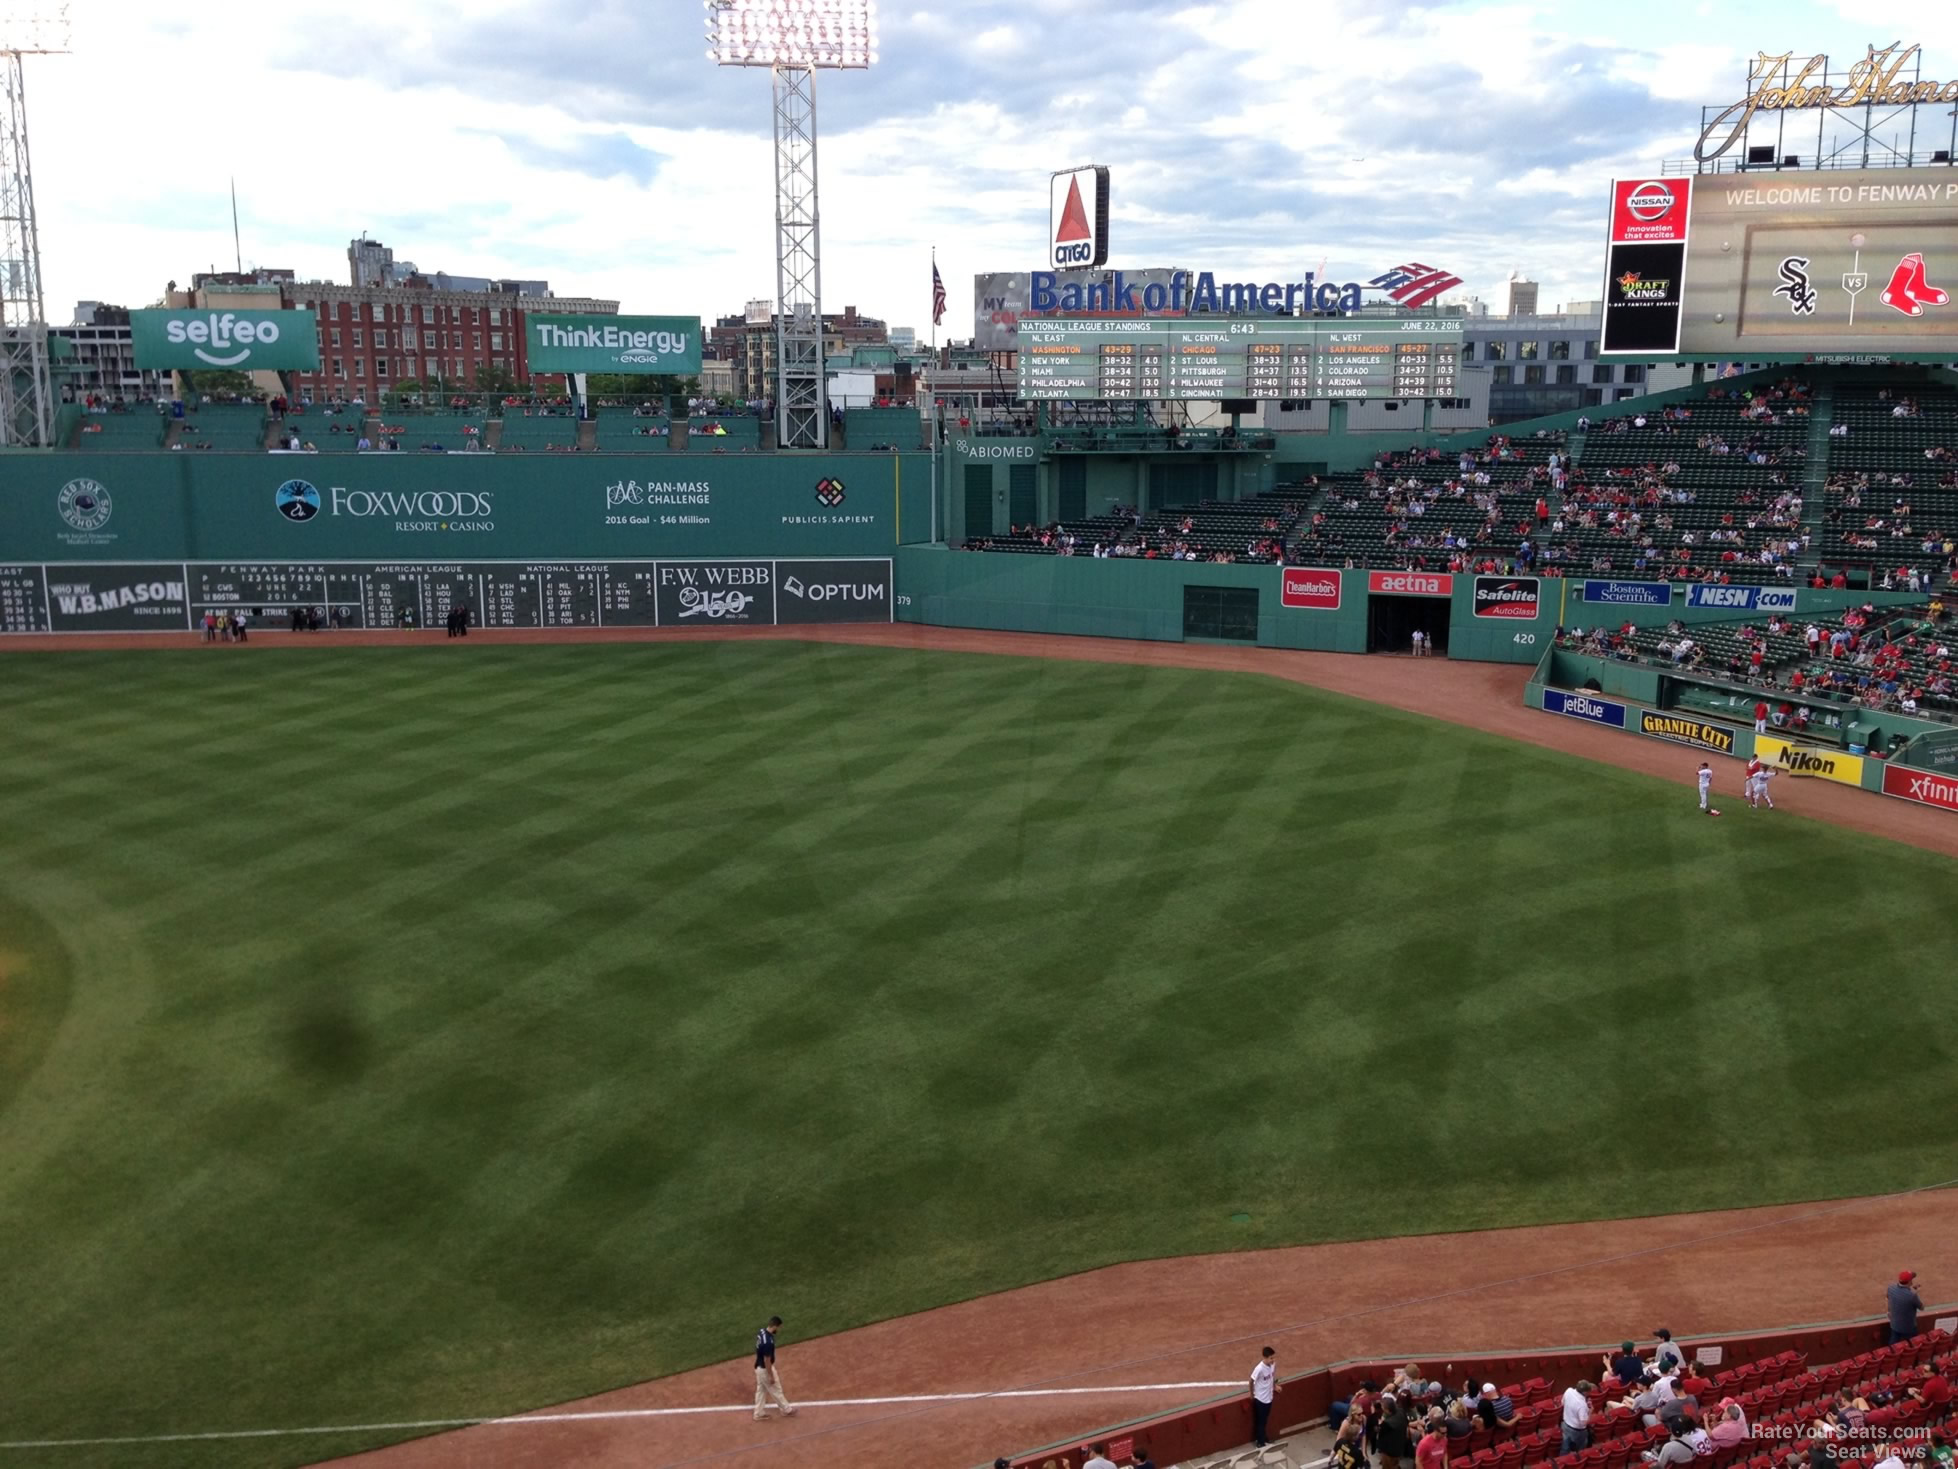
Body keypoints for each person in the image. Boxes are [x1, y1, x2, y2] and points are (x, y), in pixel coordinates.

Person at [753, 1315, 795, 1420]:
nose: (779, 1329)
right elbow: (767, 1360)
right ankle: (786, 1410)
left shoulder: (762, 1331)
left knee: (761, 1390)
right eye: (779, 1327)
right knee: (776, 1388)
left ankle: (758, 1413)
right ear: (775, 1326)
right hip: (764, 1369)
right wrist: (770, 1375)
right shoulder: (768, 1342)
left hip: (758, 1366)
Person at [1376, 1390, 1416, 1469]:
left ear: (1387, 1410)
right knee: (1395, 1463)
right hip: (1399, 1448)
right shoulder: (1401, 1412)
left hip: (1389, 1452)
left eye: (1383, 1407)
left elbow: (1379, 1436)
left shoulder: (1387, 1423)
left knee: (1388, 1466)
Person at [1250, 1346, 1279, 1448]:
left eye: (1273, 1358)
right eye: (1271, 1358)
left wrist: (1275, 1386)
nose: (1273, 1360)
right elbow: (1251, 1380)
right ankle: (1260, 1441)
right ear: (1265, 1358)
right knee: (1261, 1421)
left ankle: (1263, 1437)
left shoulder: (1272, 1365)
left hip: (1269, 1398)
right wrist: (1252, 1394)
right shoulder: (1259, 1369)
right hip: (1260, 1399)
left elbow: (1272, 1376)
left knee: (1264, 1420)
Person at [1889, 1270, 1924, 1343]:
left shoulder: (1891, 1289)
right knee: (1913, 1344)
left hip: (1894, 1324)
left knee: (1893, 1346)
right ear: (1910, 1282)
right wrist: (1915, 1292)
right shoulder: (1912, 1296)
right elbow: (1922, 1307)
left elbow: (1899, 1295)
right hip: (1908, 1327)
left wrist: (1910, 1289)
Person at [1563, 1380, 1595, 1454]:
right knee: (1581, 1449)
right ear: (1585, 1392)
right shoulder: (1582, 1405)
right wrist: (1590, 1411)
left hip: (1565, 1425)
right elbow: (1584, 1423)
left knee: (1565, 1447)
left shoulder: (1568, 1391)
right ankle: (1578, 1462)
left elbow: (1563, 1403)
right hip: (1577, 1431)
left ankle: (1562, 1462)